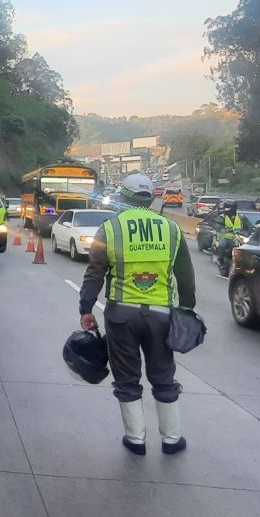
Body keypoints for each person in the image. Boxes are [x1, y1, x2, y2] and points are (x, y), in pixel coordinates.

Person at [77, 172, 197, 455]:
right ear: (152, 197)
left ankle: (136, 439)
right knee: (163, 373)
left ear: (124, 198)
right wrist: (187, 309)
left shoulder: (111, 228)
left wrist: (85, 308)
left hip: (122, 314)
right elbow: (186, 278)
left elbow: (94, 273)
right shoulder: (171, 229)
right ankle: (171, 439)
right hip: (160, 315)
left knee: (127, 376)